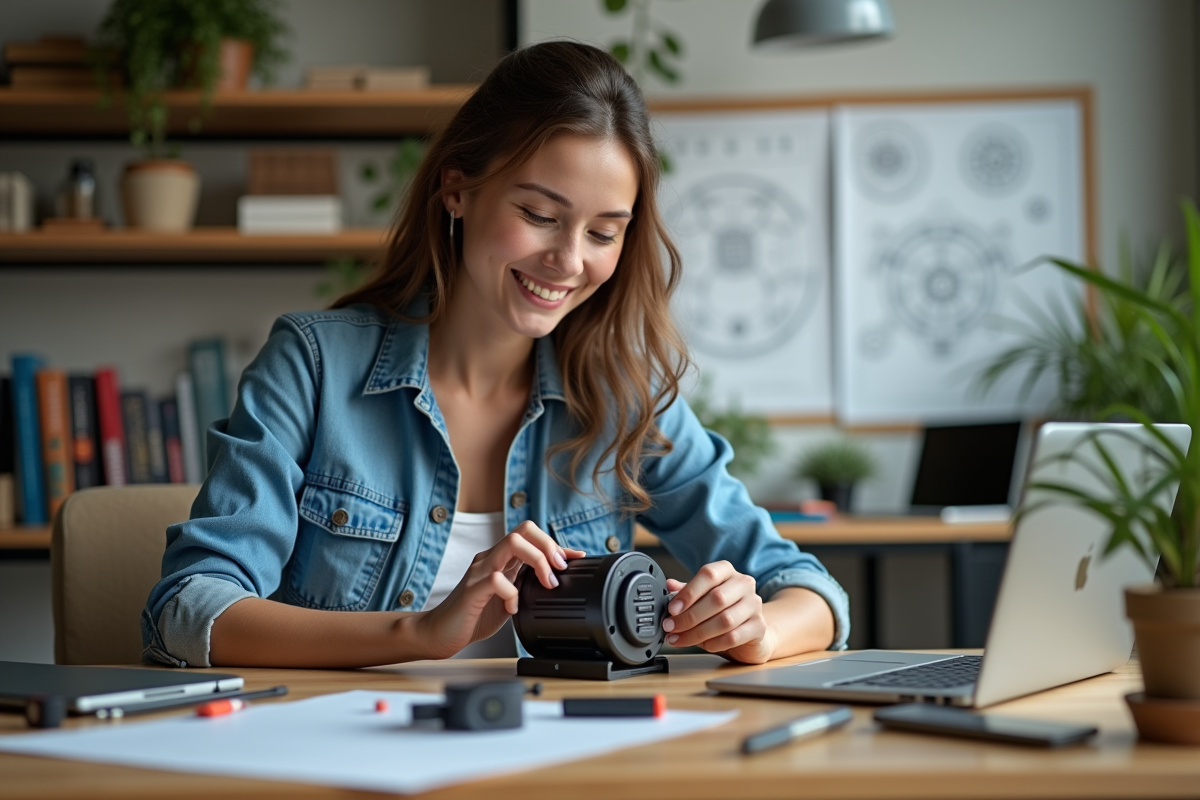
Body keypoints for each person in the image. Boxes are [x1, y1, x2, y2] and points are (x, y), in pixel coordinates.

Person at [142, 41, 849, 669]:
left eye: (604, 232)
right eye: (539, 215)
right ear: (458, 190)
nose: (568, 260)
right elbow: (190, 609)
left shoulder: (623, 396)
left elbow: (812, 593)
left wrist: (754, 629)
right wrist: (417, 633)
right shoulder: (315, 366)